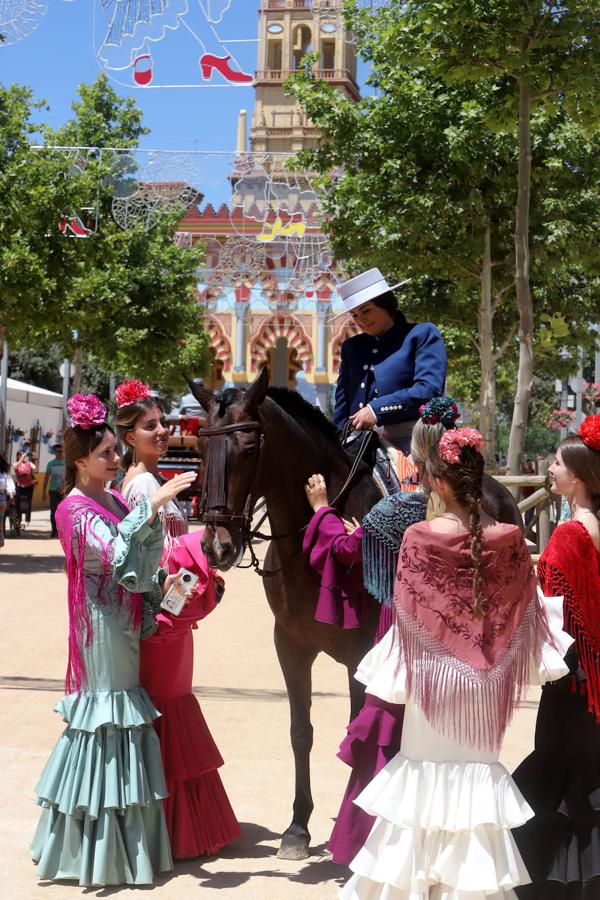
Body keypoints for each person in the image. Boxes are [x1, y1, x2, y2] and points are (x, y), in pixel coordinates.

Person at [339, 427, 571, 899]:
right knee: (474, 793)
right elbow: (525, 610)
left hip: (433, 681)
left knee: (421, 787)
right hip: (486, 683)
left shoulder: (420, 537)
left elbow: (407, 616)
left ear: (439, 483)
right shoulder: (507, 538)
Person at [30, 393, 197, 886]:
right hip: (99, 627)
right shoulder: (73, 509)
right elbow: (110, 553)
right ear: (79, 459)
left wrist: (166, 582)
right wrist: (154, 504)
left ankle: (125, 847)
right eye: (105, 453)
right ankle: (93, 852)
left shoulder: (115, 499)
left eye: (114, 451)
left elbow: (139, 561)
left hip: (123, 617)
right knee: (107, 720)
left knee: (125, 720)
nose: (115, 459)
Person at [115, 380, 240, 859]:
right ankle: (172, 828)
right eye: (152, 427)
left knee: (168, 706)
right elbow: (154, 561)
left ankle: (167, 825)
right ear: (130, 438)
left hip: (170, 615)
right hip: (165, 618)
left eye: (163, 423)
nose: (164, 431)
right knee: (169, 705)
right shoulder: (146, 486)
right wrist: (186, 598)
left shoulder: (151, 481)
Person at [512, 414, 600, 899]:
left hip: (571, 679)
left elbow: (551, 607)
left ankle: (554, 883)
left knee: (557, 771)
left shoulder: (568, 536)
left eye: (559, 463)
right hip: (595, 677)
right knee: (588, 773)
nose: (551, 468)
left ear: (580, 476)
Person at [333, 267, 447, 453]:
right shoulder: (351, 347)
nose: (360, 320)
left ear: (386, 305)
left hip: (411, 441)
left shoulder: (421, 334)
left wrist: (375, 410)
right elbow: (342, 405)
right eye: (354, 315)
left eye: (366, 311)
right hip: (355, 442)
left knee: (415, 482)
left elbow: (428, 390)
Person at [42, 444, 65, 537]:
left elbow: (71, 477)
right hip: (53, 490)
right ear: (54, 452)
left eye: (61, 451)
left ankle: (62, 531)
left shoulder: (66, 463)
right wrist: (43, 491)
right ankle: (54, 530)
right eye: (57, 451)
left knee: (64, 511)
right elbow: (46, 478)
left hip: (64, 490)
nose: (59, 453)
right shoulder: (51, 464)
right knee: (53, 511)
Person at [13, 449, 36, 527]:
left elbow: (35, 468)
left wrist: (32, 459)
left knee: (28, 503)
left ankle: (27, 520)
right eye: (20, 454)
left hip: (28, 486)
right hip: (19, 486)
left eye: (23, 454)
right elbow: (15, 467)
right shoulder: (16, 464)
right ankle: (18, 518)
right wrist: (21, 459)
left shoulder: (28, 463)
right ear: (18, 456)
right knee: (17, 502)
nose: (22, 456)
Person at [0, 453, 15, 548]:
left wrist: (11, 493)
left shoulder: (4, 474)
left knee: (0, 519)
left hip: (1, 498)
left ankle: (0, 536)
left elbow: (10, 485)